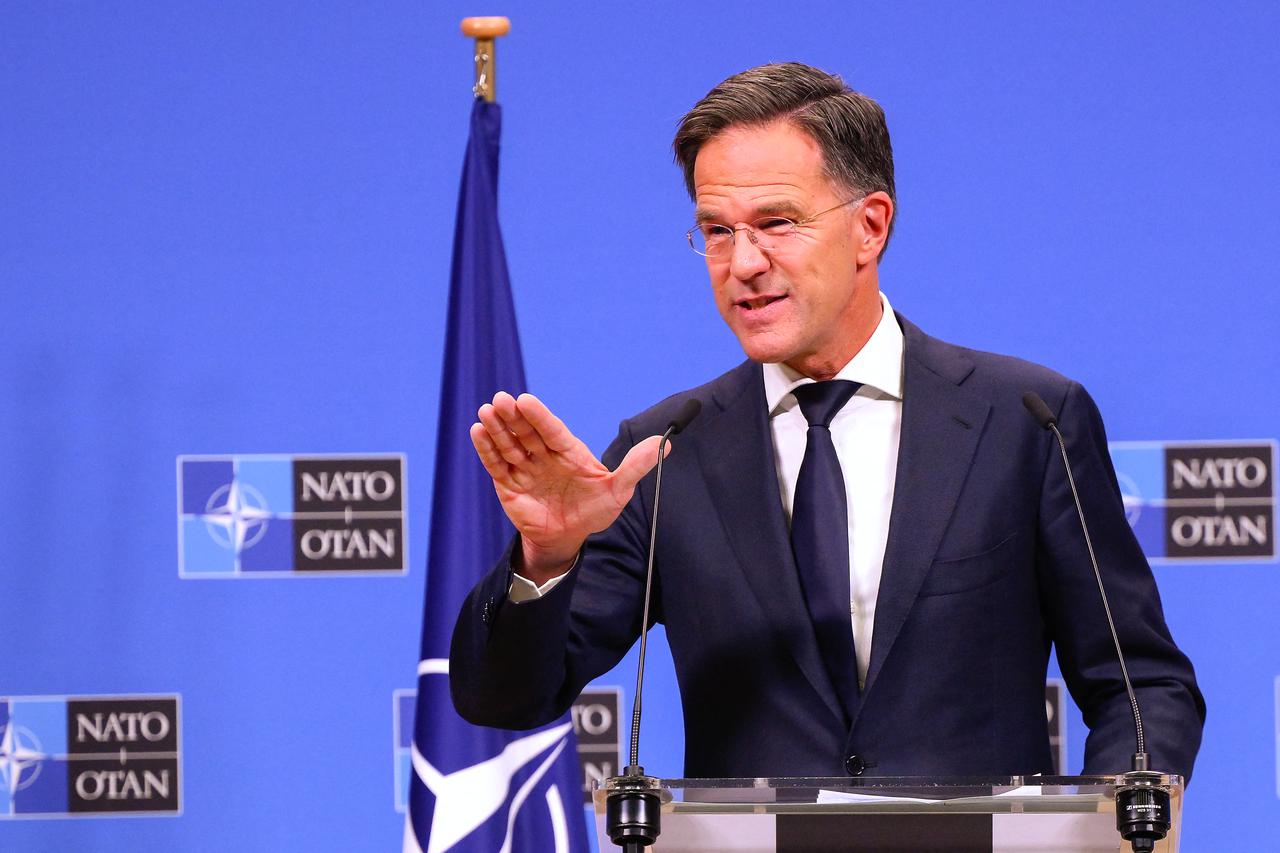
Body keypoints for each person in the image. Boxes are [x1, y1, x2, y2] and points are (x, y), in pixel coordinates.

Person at [449, 62, 1205, 781]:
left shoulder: (1027, 422)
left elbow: (1141, 686)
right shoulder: (666, 451)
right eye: (717, 230)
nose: (743, 263)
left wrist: (1111, 829)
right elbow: (504, 700)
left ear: (870, 226)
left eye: (776, 222)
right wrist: (546, 558)